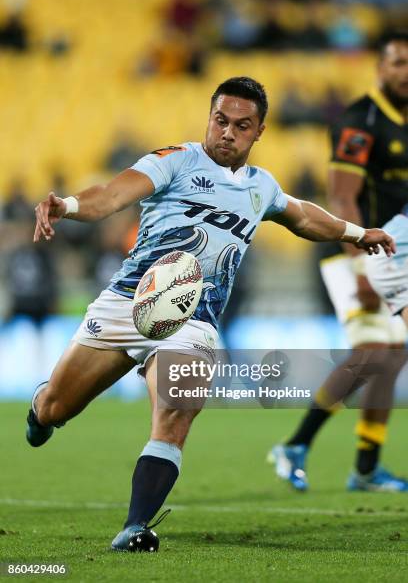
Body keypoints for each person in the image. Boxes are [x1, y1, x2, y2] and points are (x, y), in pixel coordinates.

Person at [27, 77, 394, 552]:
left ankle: (135, 526)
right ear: (209, 116)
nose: (227, 133)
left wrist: (356, 232)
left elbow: (303, 216)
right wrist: (70, 205)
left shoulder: (262, 187)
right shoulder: (175, 161)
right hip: (128, 302)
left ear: (258, 132)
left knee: (177, 411)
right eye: (220, 120)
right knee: (58, 407)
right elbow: (113, 195)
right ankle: (41, 409)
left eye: (241, 126)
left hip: (194, 319)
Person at [269, 31, 408, 492]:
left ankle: (365, 468)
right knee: (375, 352)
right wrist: (363, 265)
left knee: (390, 357)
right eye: (397, 62)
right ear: (380, 68)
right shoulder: (360, 120)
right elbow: (342, 198)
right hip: (353, 251)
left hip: (395, 254)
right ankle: (297, 444)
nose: (405, 73)